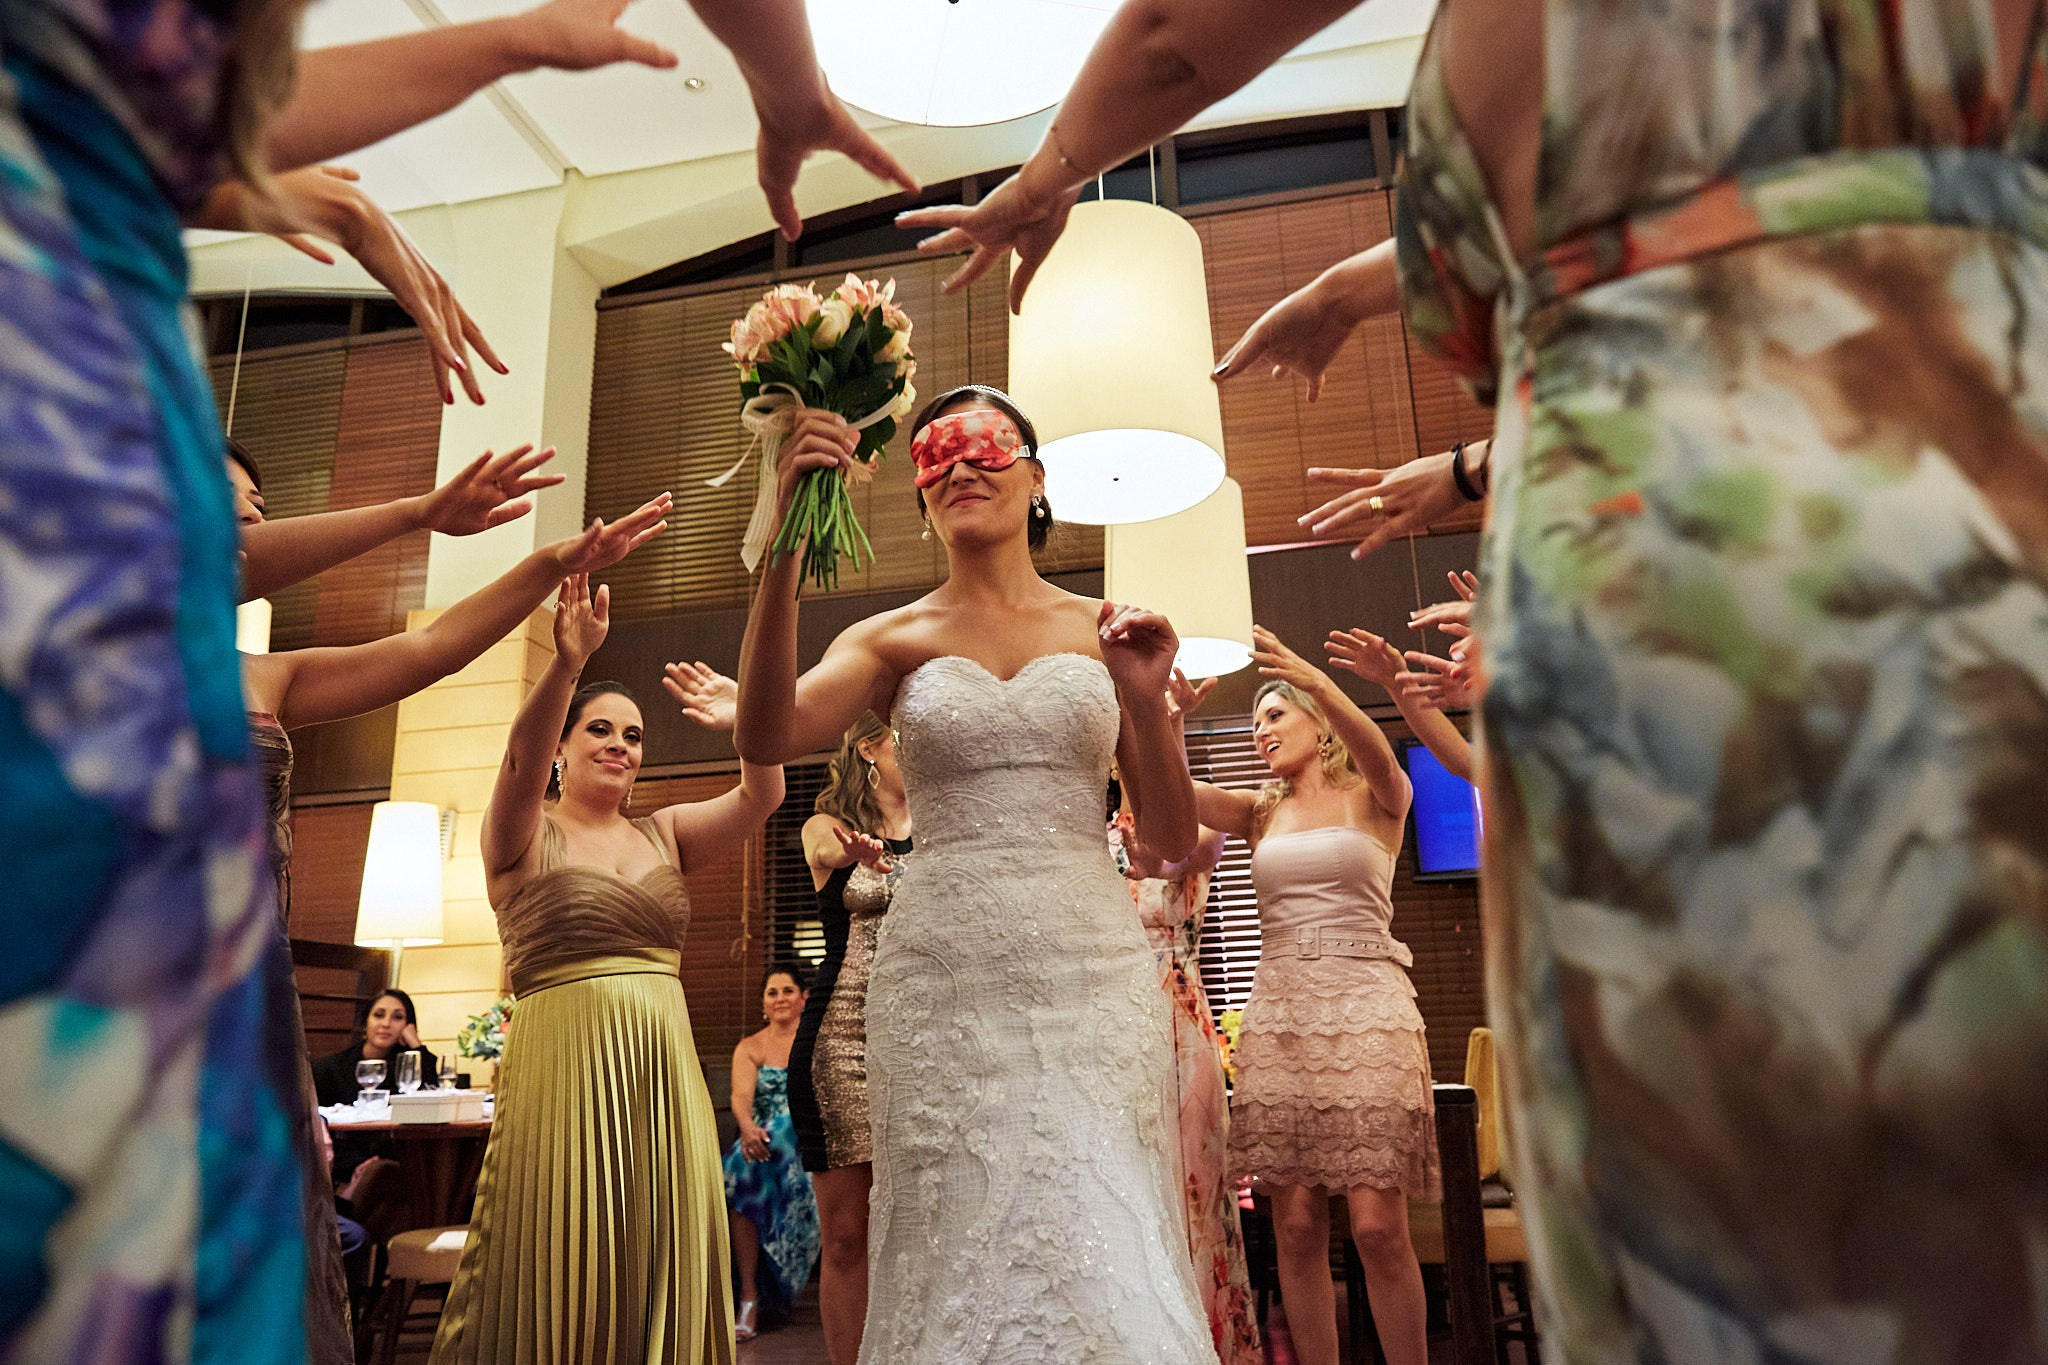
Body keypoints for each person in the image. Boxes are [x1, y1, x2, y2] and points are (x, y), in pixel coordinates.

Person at [734, 384, 1215, 1363]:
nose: (958, 465)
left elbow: (1165, 840)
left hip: (1090, 967)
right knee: (953, 1223)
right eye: (933, 455)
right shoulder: (890, 641)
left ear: (1035, 479)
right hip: (941, 978)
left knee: (1101, 1218)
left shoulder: (1108, 629)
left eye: (986, 448)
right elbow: (765, 731)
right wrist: (784, 539)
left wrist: (1146, 699)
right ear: (918, 496)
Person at [431, 573, 781, 1364]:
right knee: (555, 1241)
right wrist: (564, 664)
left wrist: (745, 722)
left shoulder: (665, 834)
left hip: (664, 1072)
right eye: (600, 729)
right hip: (563, 1067)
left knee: (663, 1243)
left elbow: (764, 792)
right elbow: (518, 756)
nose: (621, 744)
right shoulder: (521, 836)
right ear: (563, 745)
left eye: (634, 734)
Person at [1188, 628, 1436, 1365]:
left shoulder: (1377, 798)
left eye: (1275, 714)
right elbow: (1167, 793)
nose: (1261, 730)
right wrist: (1162, 717)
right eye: (1256, 721)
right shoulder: (1260, 810)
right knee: (1294, 1225)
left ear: (1318, 722)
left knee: (1376, 1225)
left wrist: (1324, 683)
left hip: (1368, 1006)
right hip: (1283, 1011)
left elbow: (1386, 760)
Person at [1112, 676, 1262, 1365]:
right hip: (1106, 1025)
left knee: (1190, 1189)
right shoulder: (1086, 840)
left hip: (1176, 1023)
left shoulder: (1193, 832)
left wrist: (1165, 725)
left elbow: (1168, 853)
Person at [784, 713, 913, 1364]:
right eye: (907, 733)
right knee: (847, 1233)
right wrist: (858, 850)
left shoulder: (946, 822)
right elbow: (823, 854)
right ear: (870, 747)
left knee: (918, 1226)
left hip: (925, 1047)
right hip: (842, 1043)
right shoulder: (825, 823)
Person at [722, 964, 822, 1342]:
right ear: (763, 1002)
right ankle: (749, 1295)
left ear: (804, 998)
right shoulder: (750, 1047)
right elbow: (740, 1097)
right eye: (772, 992)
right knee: (737, 1169)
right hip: (761, 1142)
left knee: (782, 1131)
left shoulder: (816, 1041)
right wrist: (746, 1127)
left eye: (787, 991)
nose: (779, 998)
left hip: (810, 1140)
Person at [310, 988, 441, 1109]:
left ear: (408, 1025)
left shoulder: (406, 1069)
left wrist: (415, 1043)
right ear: (365, 1022)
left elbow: (432, 1095)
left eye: (397, 1017)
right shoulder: (331, 1068)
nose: (386, 1024)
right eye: (379, 1015)